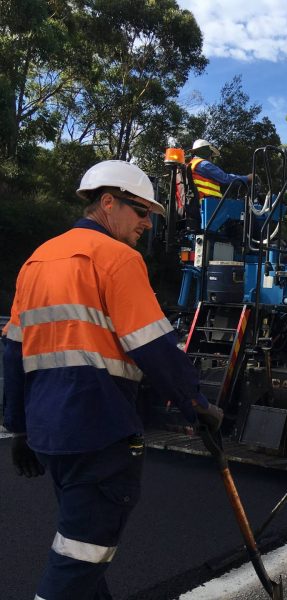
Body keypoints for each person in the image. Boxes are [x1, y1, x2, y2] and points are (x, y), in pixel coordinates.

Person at [2, 160, 223, 600]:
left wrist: (20, 428)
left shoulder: (37, 260)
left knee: (82, 547)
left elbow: (13, 351)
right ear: (107, 202)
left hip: (53, 435)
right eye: (140, 211)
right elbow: (154, 347)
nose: (146, 223)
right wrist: (197, 405)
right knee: (78, 559)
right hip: (99, 430)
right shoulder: (118, 259)